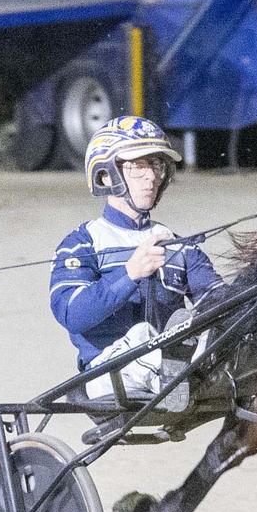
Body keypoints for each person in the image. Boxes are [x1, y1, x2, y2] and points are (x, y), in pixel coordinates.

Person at [49, 116, 223, 399]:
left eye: (156, 165)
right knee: (143, 335)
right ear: (105, 176)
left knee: (216, 334)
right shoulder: (81, 244)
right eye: (138, 166)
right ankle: (175, 376)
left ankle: (180, 371)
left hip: (172, 360)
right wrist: (130, 274)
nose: (151, 177)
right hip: (108, 375)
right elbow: (72, 314)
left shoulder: (179, 245)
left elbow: (218, 301)